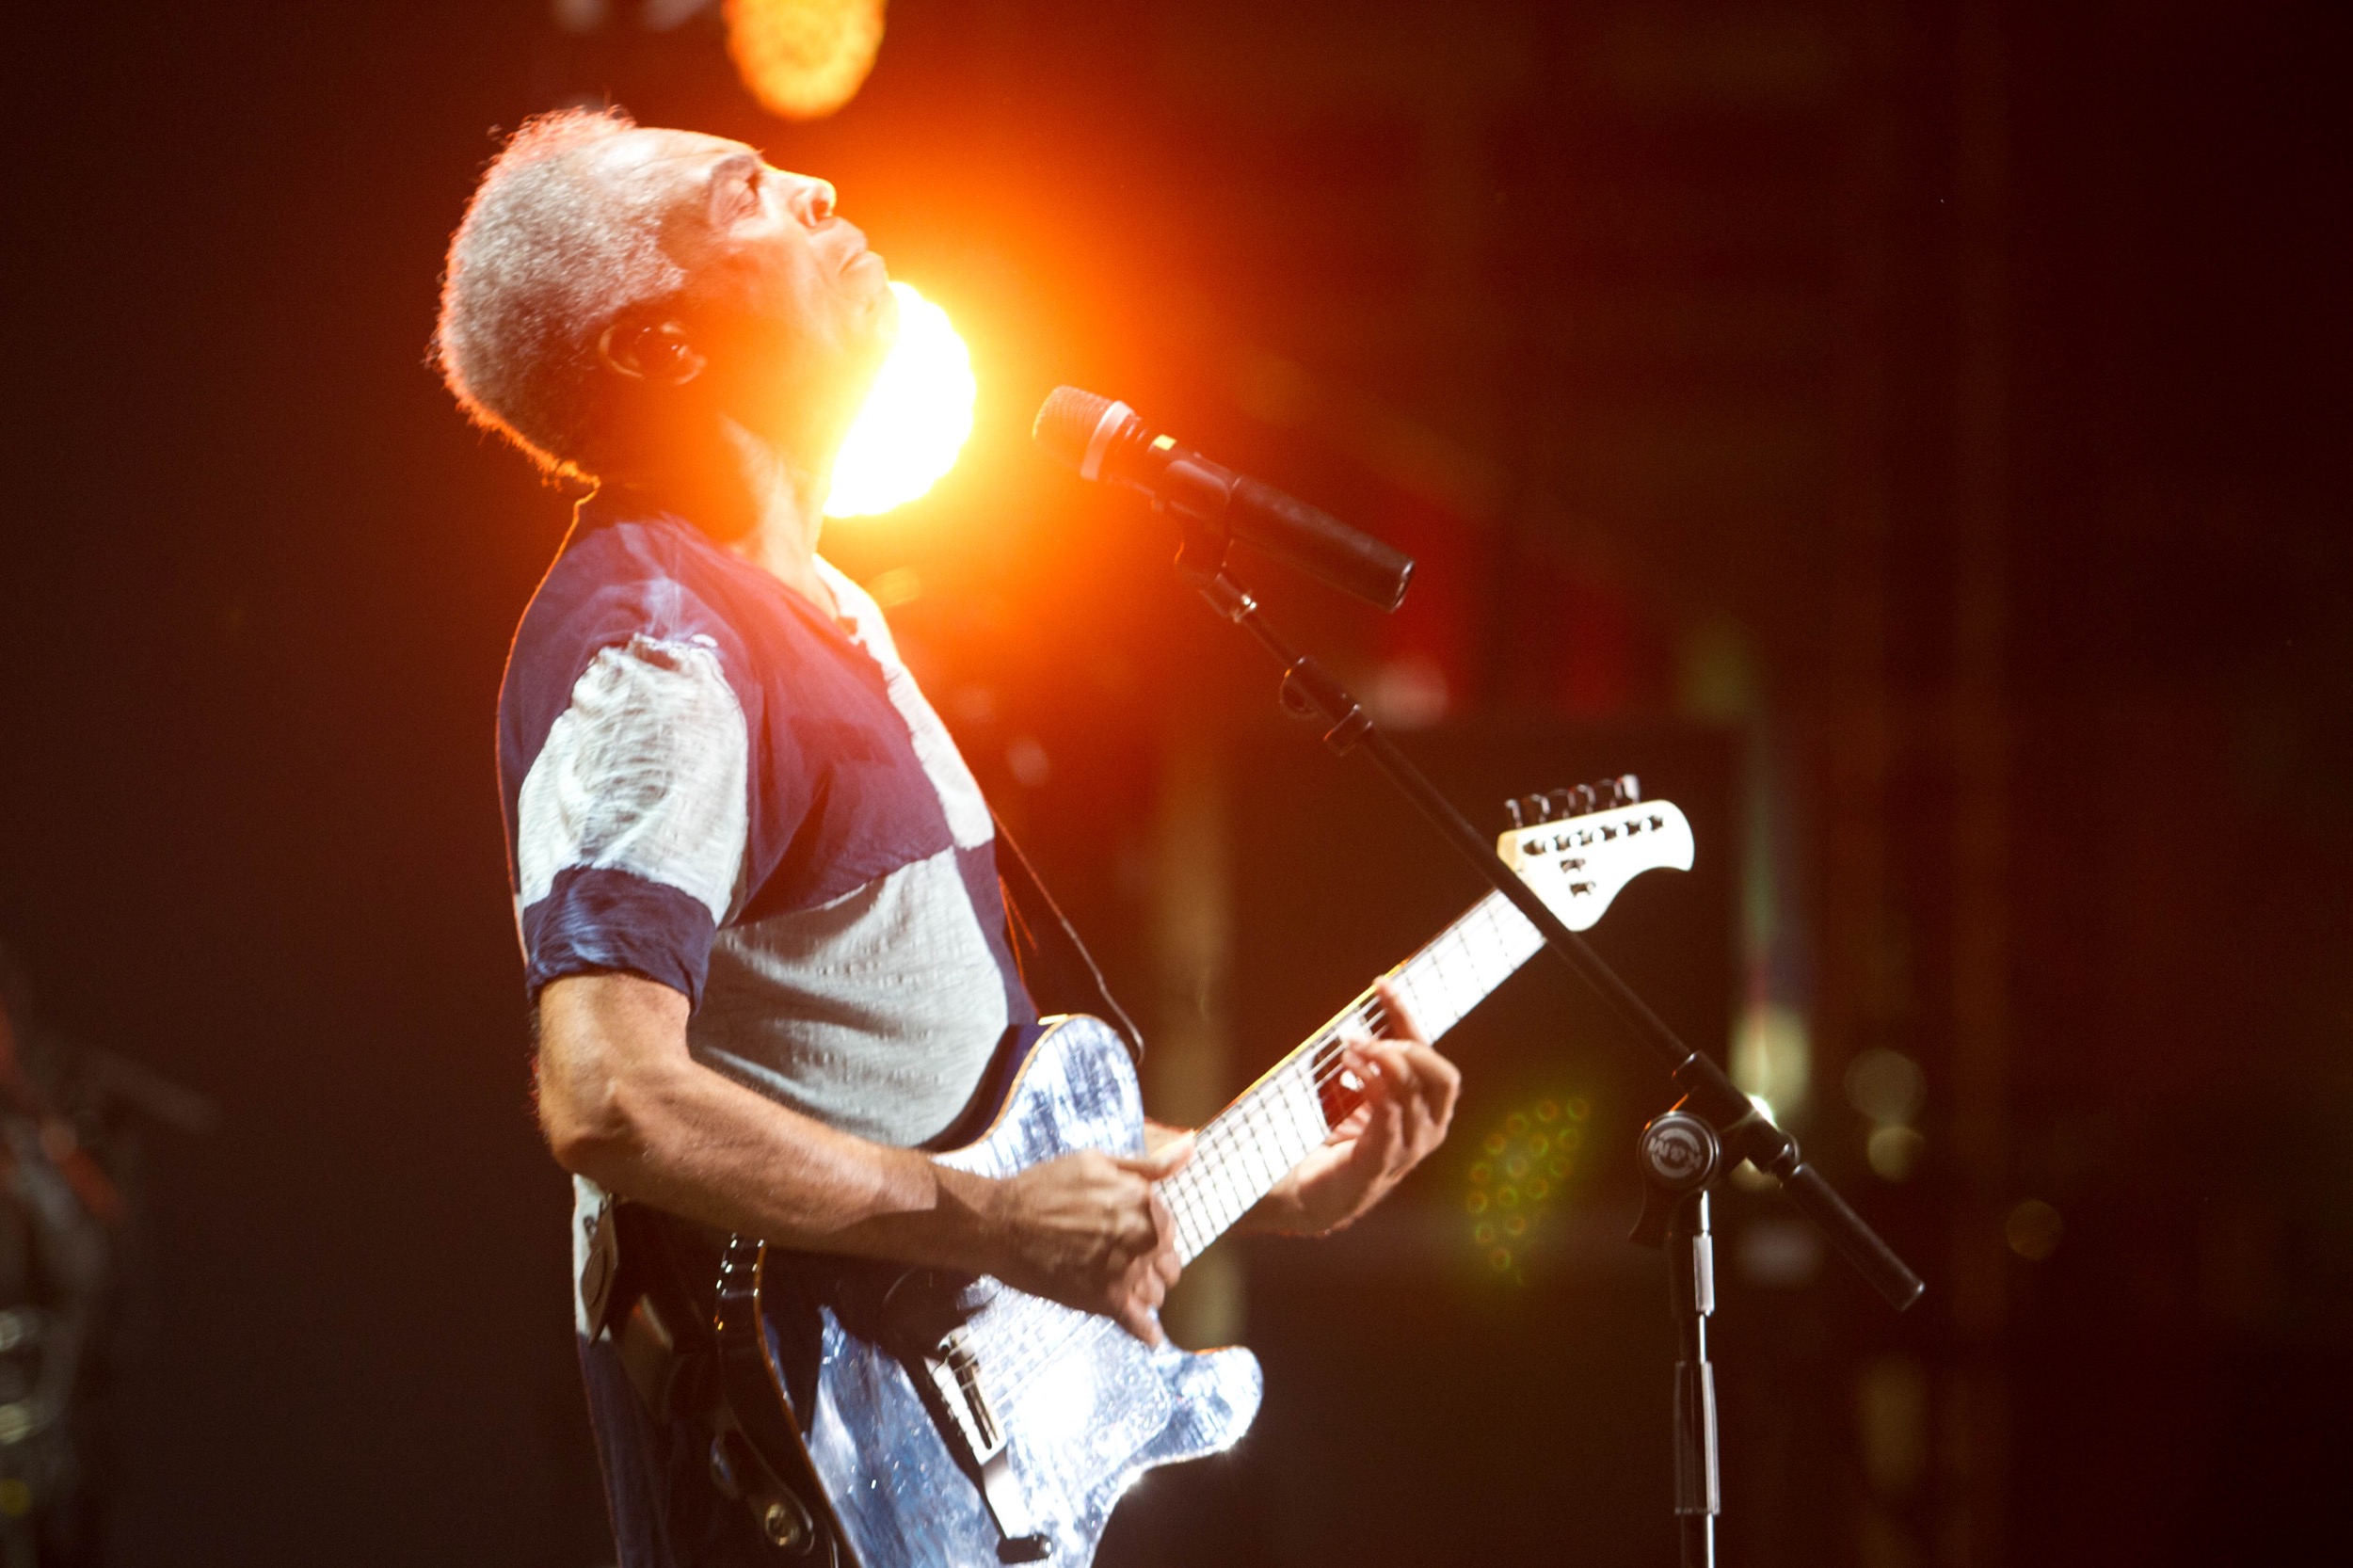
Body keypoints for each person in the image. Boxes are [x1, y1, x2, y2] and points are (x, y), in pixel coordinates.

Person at [434, 107, 1461, 1562]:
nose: (817, 183)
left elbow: (938, 1105)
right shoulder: (655, 645)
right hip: (822, 1485)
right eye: (748, 195)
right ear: (658, 349)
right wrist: (984, 1220)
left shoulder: (829, 607)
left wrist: (1260, 1175)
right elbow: (610, 1095)